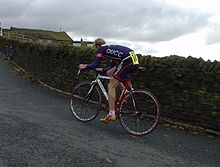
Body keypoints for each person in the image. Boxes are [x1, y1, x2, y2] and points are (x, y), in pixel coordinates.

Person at [78, 38, 139, 123]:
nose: (97, 50)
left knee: (111, 85)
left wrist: (85, 66)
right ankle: (124, 92)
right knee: (111, 73)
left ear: (97, 46)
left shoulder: (102, 49)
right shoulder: (110, 50)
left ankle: (111, 114)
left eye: (96, 48)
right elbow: (111, 68)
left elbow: (94, 64)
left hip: (127, 61)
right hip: (133, 60)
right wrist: (101, 70)